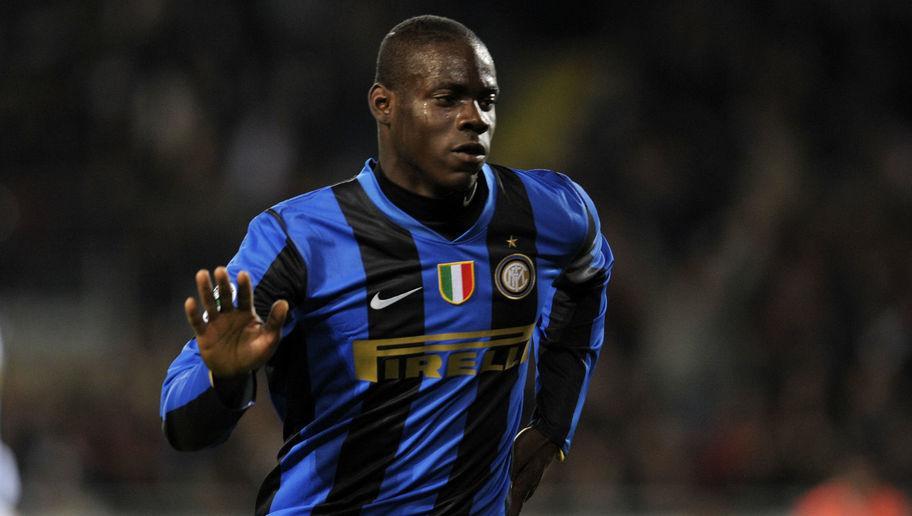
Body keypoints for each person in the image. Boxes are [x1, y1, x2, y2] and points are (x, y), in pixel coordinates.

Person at [160, 14, 613, 515]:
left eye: (486, 100)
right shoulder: (299, 238)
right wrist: (224, 381)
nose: (475, 118)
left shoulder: (547, 211)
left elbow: (588, 276)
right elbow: (181, 425)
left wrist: (554, 422)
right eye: (447, 99)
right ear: (384, 105)